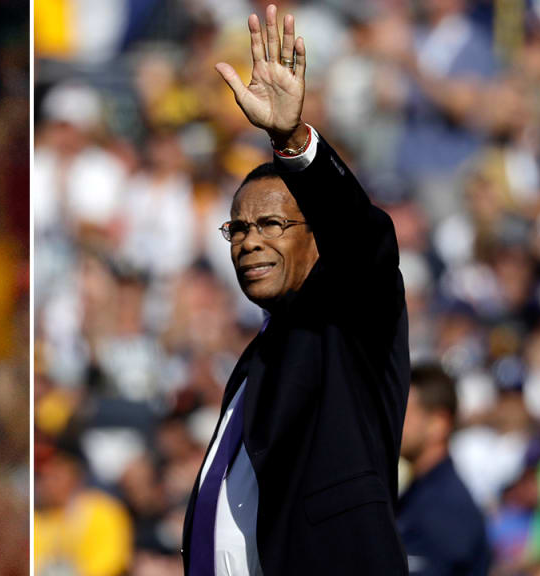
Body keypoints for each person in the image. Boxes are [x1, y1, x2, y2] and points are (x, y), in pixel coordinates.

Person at [182, 5, 409, 575]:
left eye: (271, 225)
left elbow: (366, 240)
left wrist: (291, 140)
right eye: (238, 228)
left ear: (317, 237)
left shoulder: (350, 318)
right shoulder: (262, 349)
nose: (248, 243)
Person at [397, 364, 490, 575]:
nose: (395, 421)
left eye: (404, 411)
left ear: (438, 423)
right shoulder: (420, 493)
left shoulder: (446, 507)